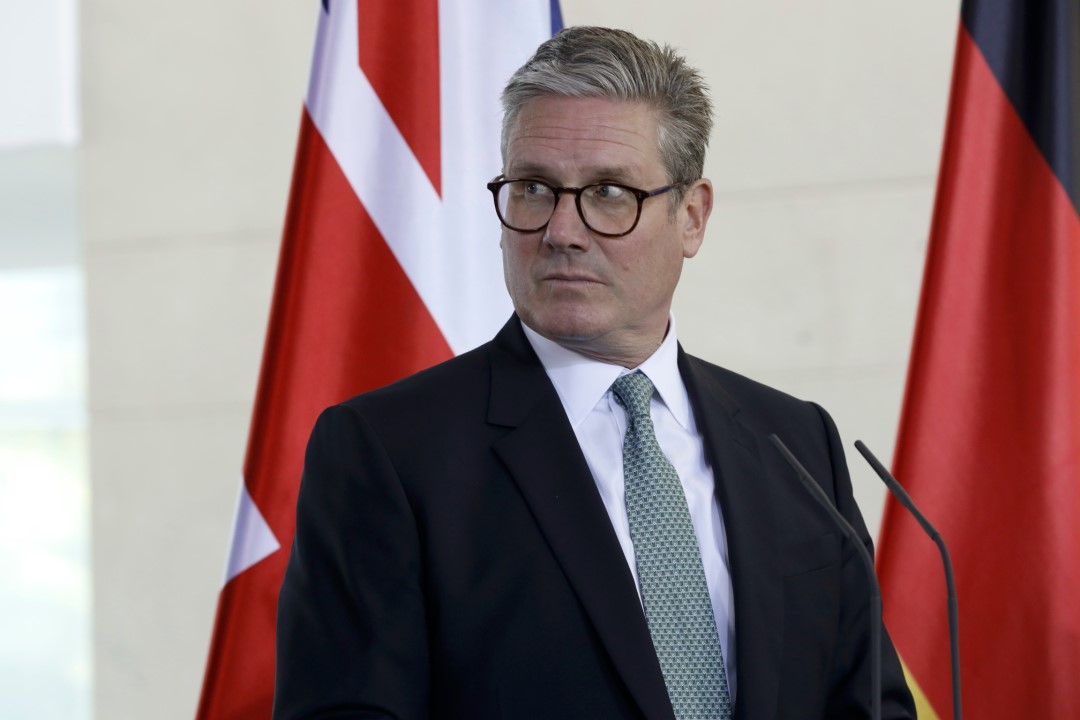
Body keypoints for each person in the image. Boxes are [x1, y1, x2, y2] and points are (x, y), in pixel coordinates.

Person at [274, 26, 916, 720]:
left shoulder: (796, 443)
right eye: (533, 188)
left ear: (692, 217)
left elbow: (870, 704)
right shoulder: (389, 453)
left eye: (609, 192)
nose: (561, 230)